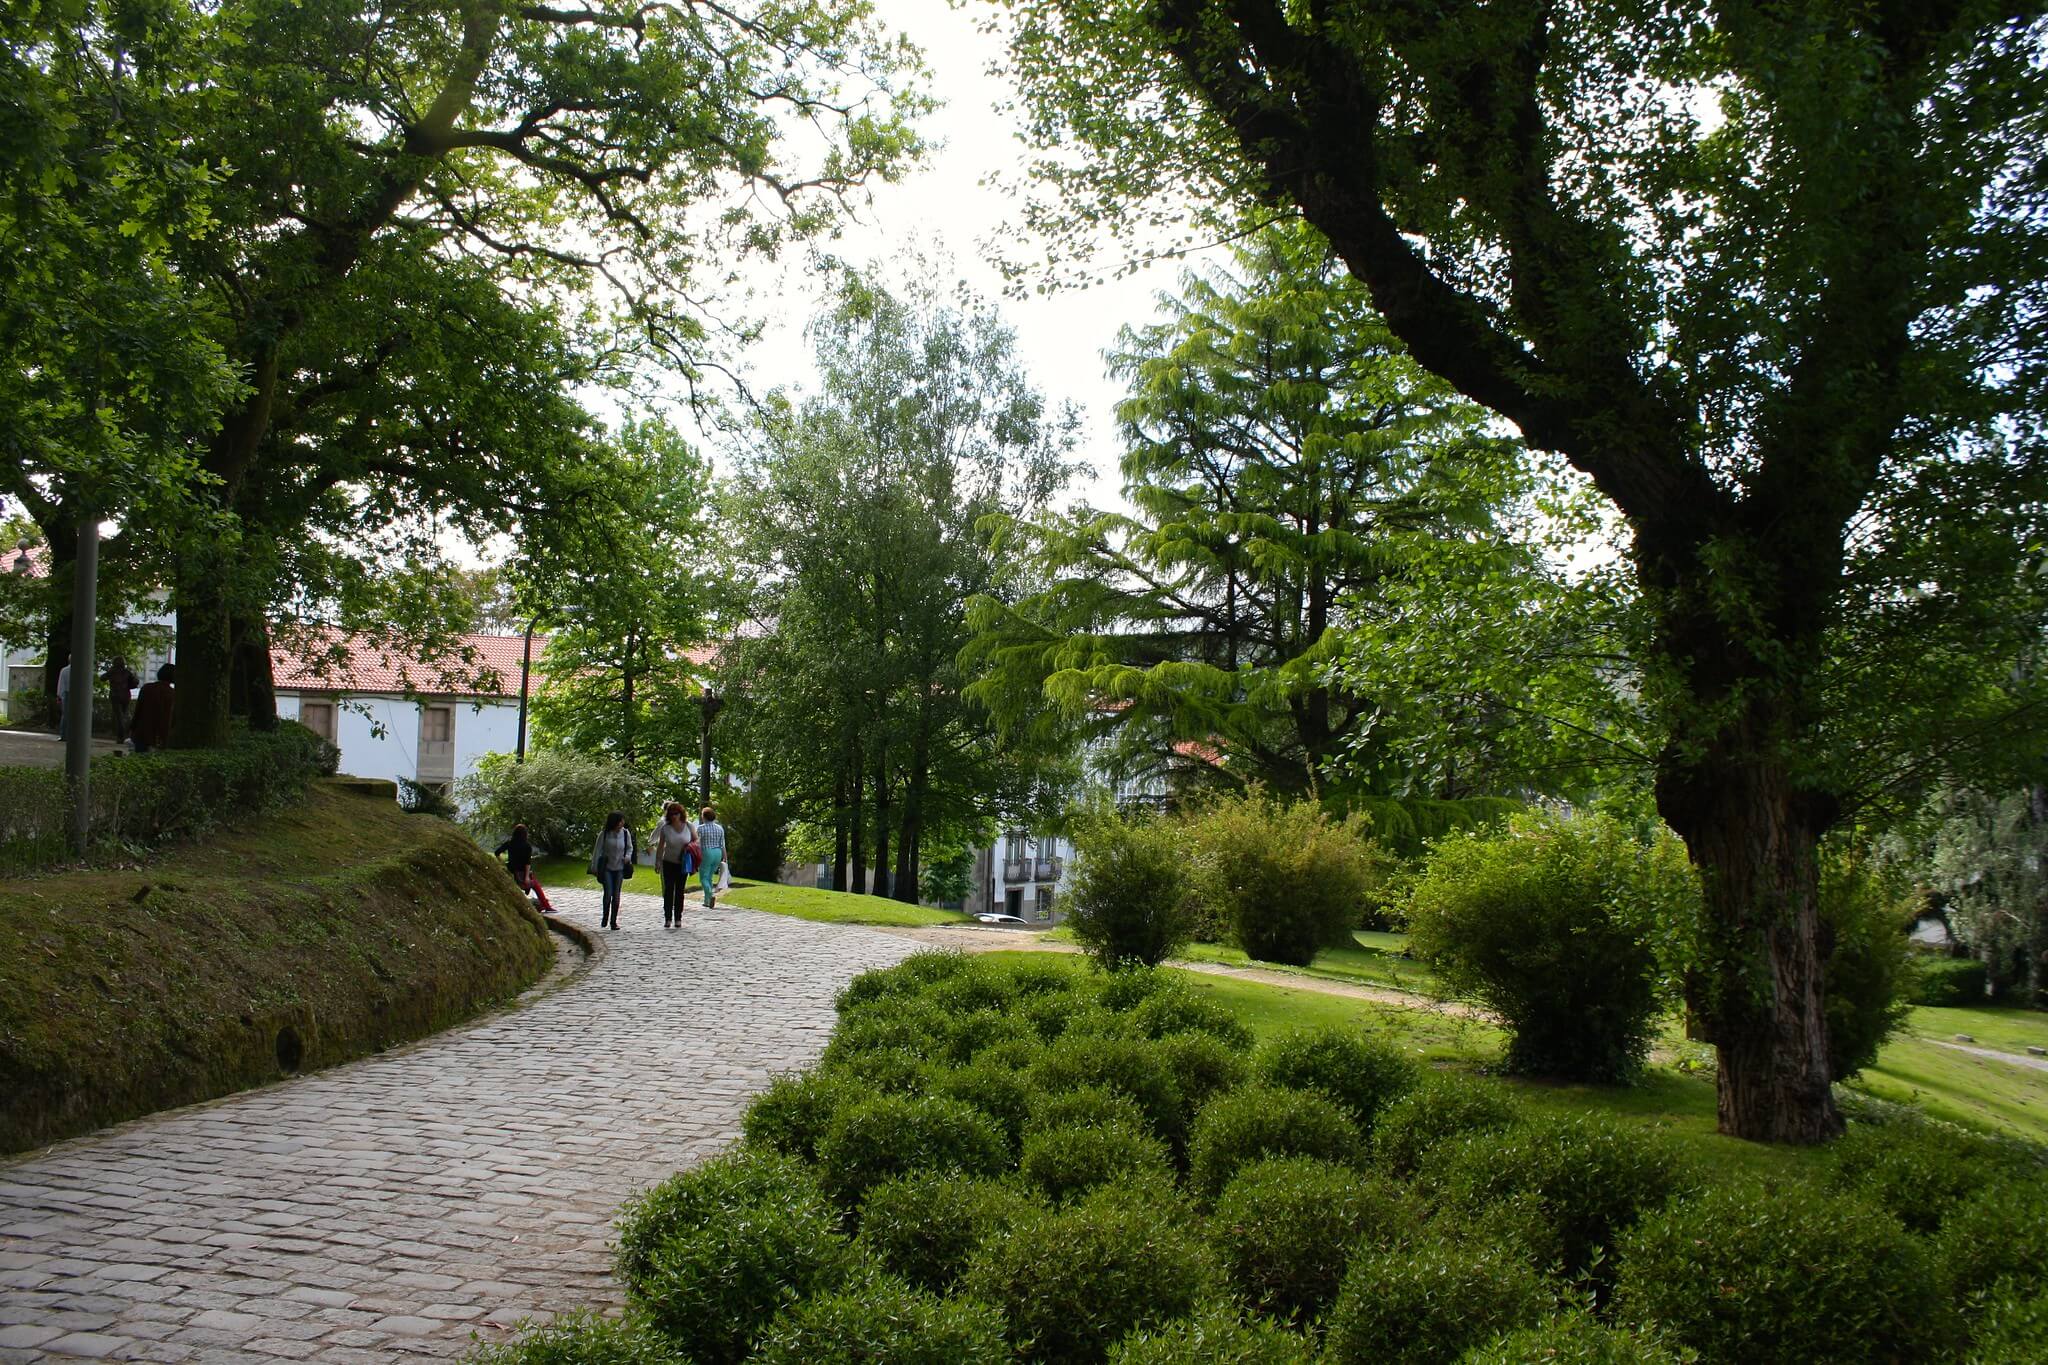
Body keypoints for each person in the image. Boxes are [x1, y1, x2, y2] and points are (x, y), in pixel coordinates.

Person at [649, 802, 697, 929]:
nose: (674, 816)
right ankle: (668, 917)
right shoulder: (666, 828)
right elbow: (660, 846)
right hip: (668, 862)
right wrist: (658, 862)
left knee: (680, 891)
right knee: (669, 890)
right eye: (672, 814)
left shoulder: (688, 826)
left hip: (683, 863)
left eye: (676, 814)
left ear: (681, 814)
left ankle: (678, 918)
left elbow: (696, 840)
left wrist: (690, 849)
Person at [587, 810, 637, 930]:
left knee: (616, 894)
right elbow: (597, 851)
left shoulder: (625, 833)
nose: (622, 823)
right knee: (608, 893)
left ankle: (613, 921)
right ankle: (605, 916)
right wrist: (594, 867)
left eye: (622, 821)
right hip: (607, 868)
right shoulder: (604, 834)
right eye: (620, 821)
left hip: (620, 868)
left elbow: (630, 848)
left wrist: (628, 857)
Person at [495, 821, 555, 913]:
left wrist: (502, 863)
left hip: (512, 870)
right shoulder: (527, 846)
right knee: (536, 885)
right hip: (521, 874)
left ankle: (542, 904)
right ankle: (546, 906)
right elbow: (527, 863)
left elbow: (497, 852)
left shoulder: (509, 843)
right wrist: (526, 877)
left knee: (532, 882)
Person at [130, 664, 176, 753]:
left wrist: (132, 728)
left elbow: (138, 710)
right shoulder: (171, 693)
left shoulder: (147, 688)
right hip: (160, 734)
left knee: (139, 757)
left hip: (142, 731)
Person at [696, 805, 727, 909]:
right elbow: (722, 844)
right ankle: (707, 901)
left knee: (703, 877)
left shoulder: (701, 828)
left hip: (706, 852)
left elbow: (696, 843)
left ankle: (710, 894)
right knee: (709, 876)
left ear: (704, 817)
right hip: (718, 853)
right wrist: (725, 857)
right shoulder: (720, 828)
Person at [106, 656, 137, 742]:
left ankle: (121, 736)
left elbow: (102, 678)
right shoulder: (127, 672)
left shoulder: (112, 671)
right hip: (126, 696)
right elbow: (135, 682)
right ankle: (124, 735)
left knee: (119, 717)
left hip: (115, 696)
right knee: (123, 715)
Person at [53, 660, 71, 740]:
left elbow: (61, 684)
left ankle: (64, 735)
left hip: (67, 693)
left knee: (65, 715)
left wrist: (59, 695)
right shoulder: (80, 670)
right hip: (78, 693)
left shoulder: (64, 670)